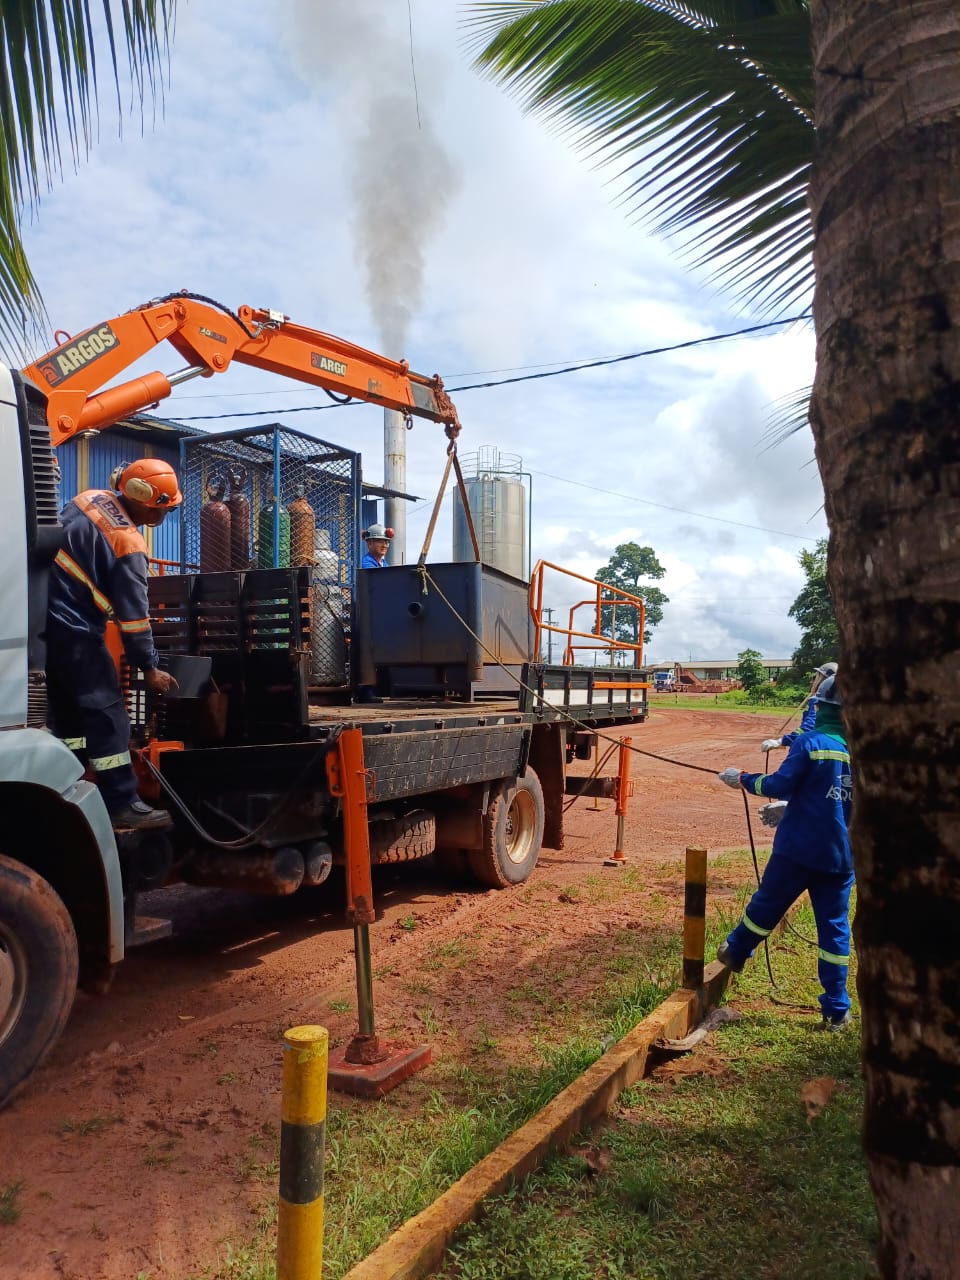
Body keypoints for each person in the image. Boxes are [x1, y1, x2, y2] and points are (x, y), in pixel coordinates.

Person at [46, 460, 182, 831]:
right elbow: (134, 619)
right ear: (147, 503)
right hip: (76, 630)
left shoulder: (89, 498)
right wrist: (149, 667)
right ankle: (122, 801)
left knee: (69, 718)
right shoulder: (128, 543)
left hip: (45, 623)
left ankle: (66, 787)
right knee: (107, 713)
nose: (163, 516)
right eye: (162, 509)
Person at [716, 673, 855, 1031]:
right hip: (841, 859)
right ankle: (837, 1009)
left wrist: (743, 779)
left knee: (767, 905)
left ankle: (735, 952)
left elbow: (780, 783)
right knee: (835, 932)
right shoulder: (863, 751)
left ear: (820, 706)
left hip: (798, 849)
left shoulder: (810, 743)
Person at [760, 661, 838, 752]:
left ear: (824, 680)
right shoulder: (841, 702)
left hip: (815, 745)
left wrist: (782, 741)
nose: (812, 681)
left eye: (816, 677)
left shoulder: (817, 700)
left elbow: (809, 726)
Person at [355, 522, 393, 703]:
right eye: (379, 541)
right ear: (369, 544)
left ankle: (379, 687)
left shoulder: (385, 564)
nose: (384, 545)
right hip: (369, 613)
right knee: (368, 650)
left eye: (386, 542)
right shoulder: (366, 563)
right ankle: (365, 690)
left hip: (381, 613)